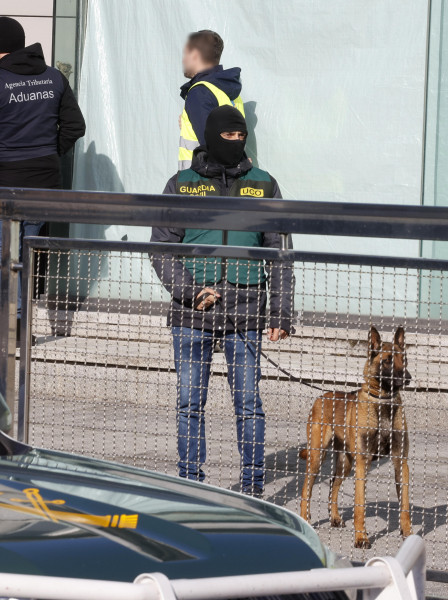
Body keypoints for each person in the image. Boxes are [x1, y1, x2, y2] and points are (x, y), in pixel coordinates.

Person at [150, 105, 294, 498]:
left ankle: (252, 490)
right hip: (191, 313)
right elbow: (161, 248)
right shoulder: (181, 183)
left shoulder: (264, 184)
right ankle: (190, 488)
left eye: (240, 136)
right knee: (189, 403)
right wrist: (189, 291)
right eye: (227, 136)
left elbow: (280, 253)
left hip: (246, 314)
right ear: (211, 138)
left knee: (249, 404)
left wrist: (281, 312)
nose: (235, 142)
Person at [0, 16, 85, 322]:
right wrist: (49, 153)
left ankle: (14, 321)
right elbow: (75, 126)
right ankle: (21, 316)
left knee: (9, 254)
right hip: (43, 181)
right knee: (29, 253)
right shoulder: (54, 77)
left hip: (6, 181)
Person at [178, 30, 243, 170]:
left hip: (200, 182)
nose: (183, 60)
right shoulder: (229, 92)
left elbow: (210, 147)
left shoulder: (199, 93)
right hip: (230, 178)